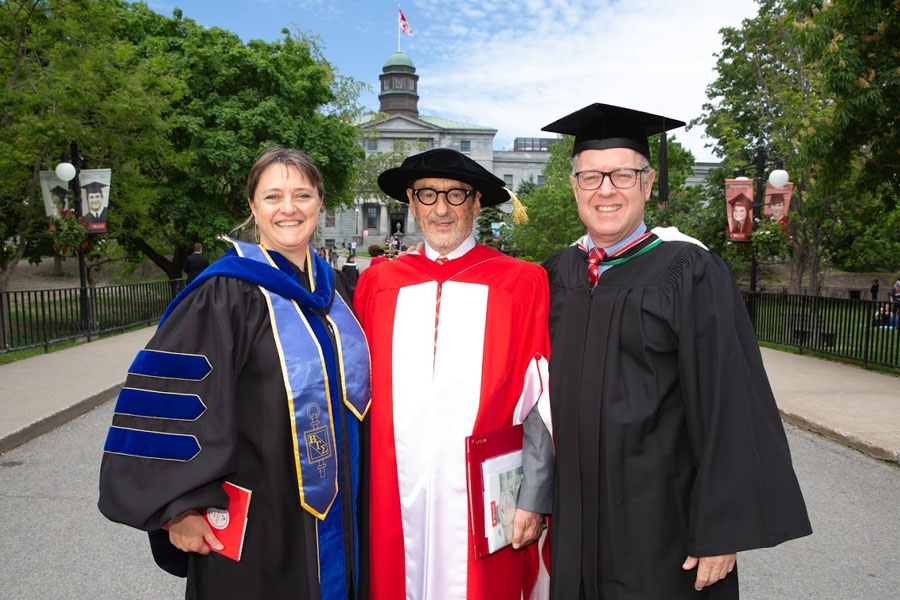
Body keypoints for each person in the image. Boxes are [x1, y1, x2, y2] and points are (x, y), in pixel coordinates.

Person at [539, 103, 812, 599]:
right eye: (591, 177)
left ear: (647, 184)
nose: (606, 189)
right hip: (573, 519)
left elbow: (729, 403)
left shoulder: (689, 272)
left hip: (663, 524)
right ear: (574, 185)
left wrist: (721, 528)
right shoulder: (557, 274)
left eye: (623, 174)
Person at [98, 147, 371, 600]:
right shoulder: (225, 293)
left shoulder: (337, 290)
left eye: (302, 194)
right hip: (261, 512)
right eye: (273, 196)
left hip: (343, 508)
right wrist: (181, 508)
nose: (289, 208)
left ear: (320, 202)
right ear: (253, 207)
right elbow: (171, 401)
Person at [354, 148, 552, 600]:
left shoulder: (521, 283)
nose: (441, 208)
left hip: (484, 499)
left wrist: (534, 498)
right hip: (393, 492)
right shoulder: (378, 284)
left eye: (456, 195)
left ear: (477, 203)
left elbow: (541, 402)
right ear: (410, 201)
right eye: (427, 195)